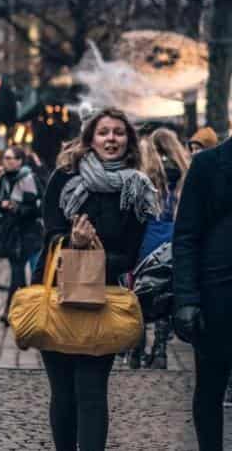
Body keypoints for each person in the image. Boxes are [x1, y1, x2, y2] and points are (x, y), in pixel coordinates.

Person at [37, 108, 157, 451]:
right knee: (62, 393)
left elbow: (132, 254)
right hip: (58, 295)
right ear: (90, 138)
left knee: (91, 392)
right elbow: (49, 234)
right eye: (104, 132)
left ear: (128, 141)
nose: (111, 139)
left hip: (102, 298)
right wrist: (71, 244)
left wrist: (94, 251)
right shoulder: (64, 177)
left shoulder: (136, 186)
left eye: (119, 133)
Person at [173, 128, 232, 450]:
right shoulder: (209, 164)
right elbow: (186, 237)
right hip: (216, 300)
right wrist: (186, 299)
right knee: (210, 391)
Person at [129, 130, 188, 370]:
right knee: (167, 291)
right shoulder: (185, 172)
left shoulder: (146, 175)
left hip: (149, 236)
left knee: (139, 291)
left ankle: (136, 349)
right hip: (174, 236)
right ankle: (160, 349)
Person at [0, 146, 43, 326]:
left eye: (11, 158)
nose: (7, 161)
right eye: (5, 158)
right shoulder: (3, 178)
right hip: (11, 234)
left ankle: (19, 311)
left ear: (20, 161)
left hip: (30, 234)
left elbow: (38, 207)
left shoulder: (29, 178)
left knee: (33, 275)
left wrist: (16, 208)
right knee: (17, 275)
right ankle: (15, 312)